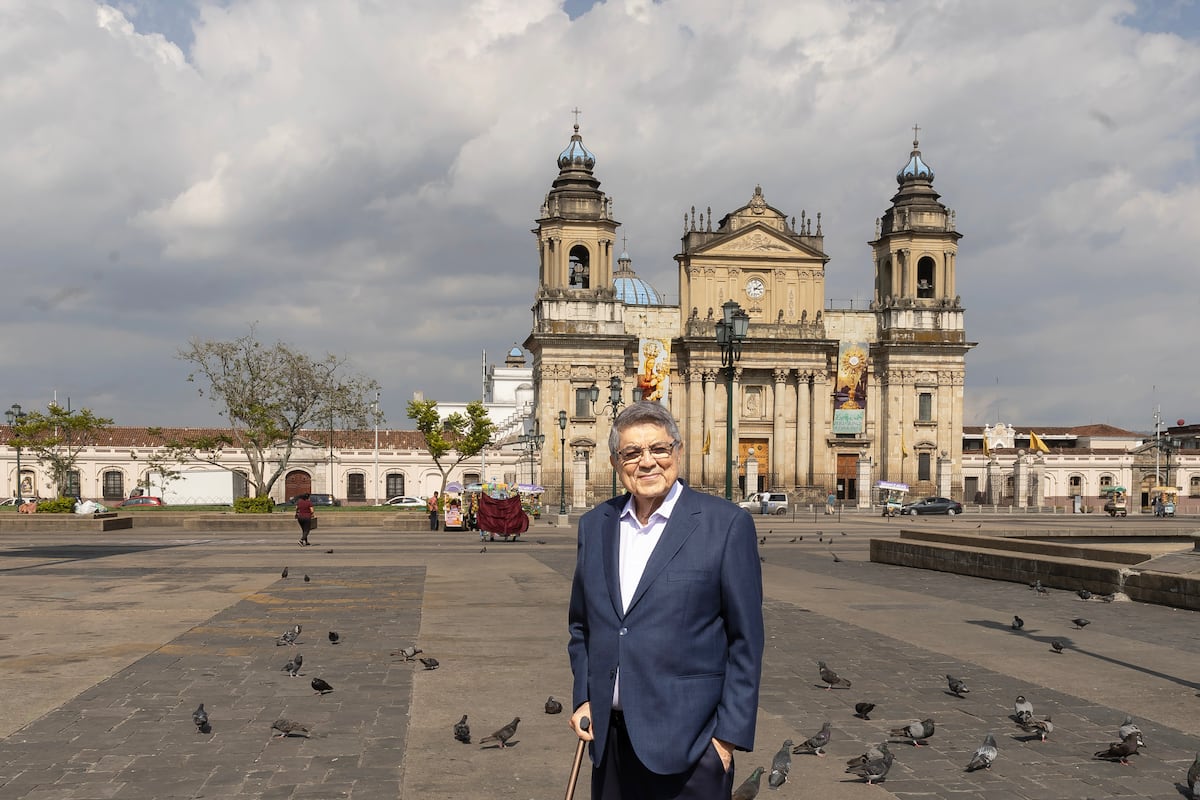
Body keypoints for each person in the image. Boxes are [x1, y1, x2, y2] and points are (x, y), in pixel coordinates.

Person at [568, 401, 764, 799]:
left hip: (692, 747)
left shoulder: (725, 525)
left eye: (659, 449)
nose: (647, 463)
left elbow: (746, 641)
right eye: (632, 453)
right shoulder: (595, 526)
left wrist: (726, 741)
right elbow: (582, 626)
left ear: (677, 451)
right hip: (610, 744)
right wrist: (587, 697)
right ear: (615, 462)